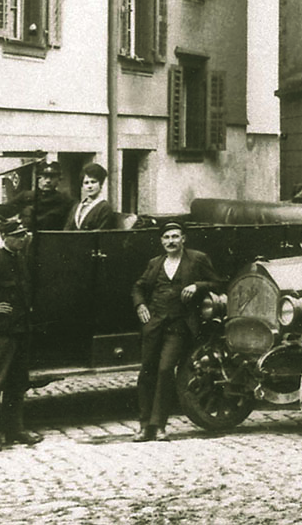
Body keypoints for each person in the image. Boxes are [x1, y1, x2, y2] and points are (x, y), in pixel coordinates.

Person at [131, 222, 223, 442]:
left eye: (175, 237)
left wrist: (197, 286)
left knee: (165, 370)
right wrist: (140, 305)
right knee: (147, 371)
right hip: (154, 325)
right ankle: (144, 426)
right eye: (166, 238)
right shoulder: (155, 263)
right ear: (161, 241)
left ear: (184, 239)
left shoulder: (197, 259)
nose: (170, 241)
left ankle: (159, 425)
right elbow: (138, 287)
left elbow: (218, 282)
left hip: (179, 326)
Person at [0, 220, 44, 451]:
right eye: (18, 235)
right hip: (2, 331)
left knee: (17, 382)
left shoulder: (21, 258)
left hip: (21, 329)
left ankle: (15, 429)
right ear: (5, 237)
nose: (23, 239)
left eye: (24, 235)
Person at [3, 161, 74, 231]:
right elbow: (6, 210)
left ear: (59, 179)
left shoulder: (65, 200)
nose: (48, 181)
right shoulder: (26, 196)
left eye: (52, 177)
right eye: (44, 177)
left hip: (53, 239)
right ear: (38, 178)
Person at [65, 163, 114, 231]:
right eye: (86, 183)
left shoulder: (104, 207)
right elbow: (67, 229)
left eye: (93, 182)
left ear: (101, 184)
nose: (89, 186)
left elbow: (102, 233)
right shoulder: (77, 207)